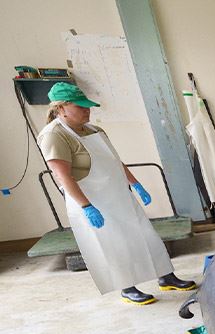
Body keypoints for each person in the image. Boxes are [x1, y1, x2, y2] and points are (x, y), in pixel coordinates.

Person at [38, 82, 196, 305]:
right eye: (80, 106)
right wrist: (86, 207)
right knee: (113, 243)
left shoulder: (95, 130)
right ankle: (127, 288)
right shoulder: (54, 135)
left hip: (118, 193)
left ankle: (166, 276)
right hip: (92, 200)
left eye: (88, 106)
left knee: (144, 234)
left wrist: (136, 184)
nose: (87, 110)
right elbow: (63, 177)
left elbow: (114, 160)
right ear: (61, 108)